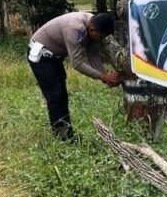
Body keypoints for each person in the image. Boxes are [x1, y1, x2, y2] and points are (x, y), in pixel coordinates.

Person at [27, 12, 121, 140]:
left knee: (62, 95)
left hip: (54, 57)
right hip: (41, 56)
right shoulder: (74, 29)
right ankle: (63, 137)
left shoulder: (91, 24)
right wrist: (103, 77)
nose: (100, 39)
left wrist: (104, 75)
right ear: (92, 29)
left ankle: (65, 133)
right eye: (99, 36)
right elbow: (77, 63)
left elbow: (92, 54)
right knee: (56, 95)